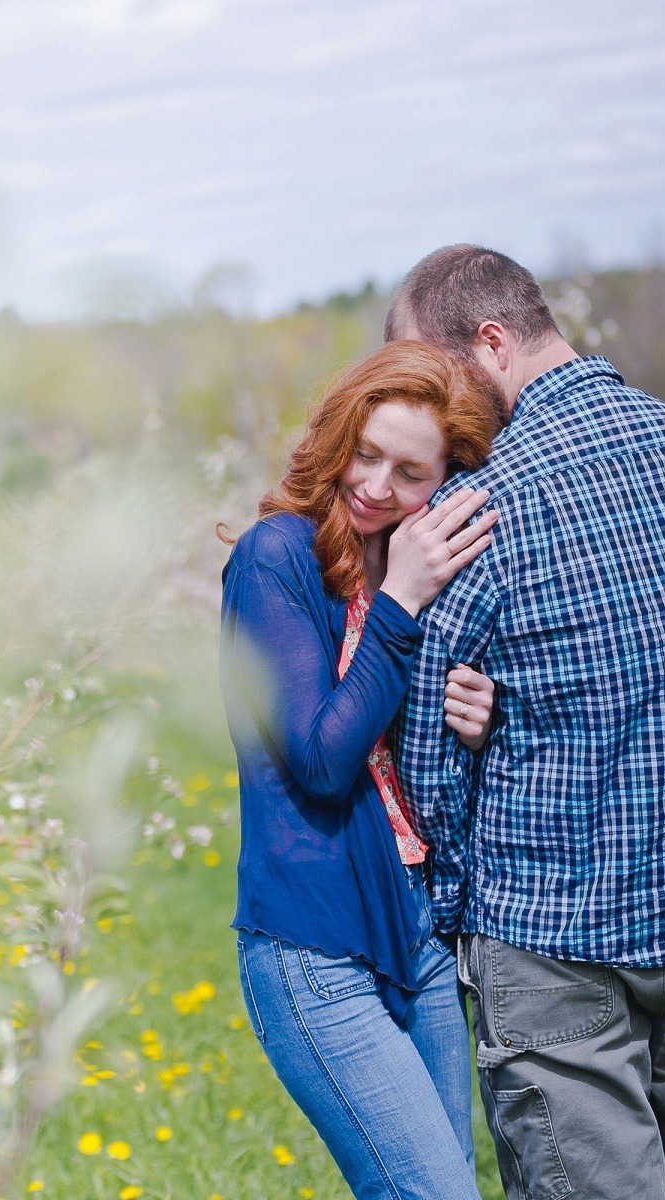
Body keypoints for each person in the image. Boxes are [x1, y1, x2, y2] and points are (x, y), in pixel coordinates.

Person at [385, 245, 665, 1200]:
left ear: (490, 344)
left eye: (434, 374)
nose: (429, 406)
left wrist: (453, 910)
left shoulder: (478, 508)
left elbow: (427, 748)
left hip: (552, 929)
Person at [219, 339, 503, 1199]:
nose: (377, 485)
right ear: (339, 437)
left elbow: (399, 753)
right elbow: (320, 758)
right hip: (314, 943)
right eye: (366, 454)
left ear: (444, 484)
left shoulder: (415, 566)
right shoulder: (277, 558)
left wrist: (475, 717)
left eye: (410, 473)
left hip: (416, 926)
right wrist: (401, 603)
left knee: (449, 1182)